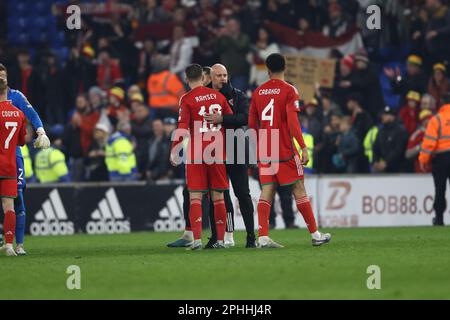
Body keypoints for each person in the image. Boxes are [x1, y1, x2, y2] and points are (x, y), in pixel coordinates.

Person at [249, 53, 331, 247]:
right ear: (285, 67)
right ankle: (315, 234)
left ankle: (263, 236)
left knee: (267, 190)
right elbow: (293, 121)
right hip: (284, 148)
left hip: (265, 148)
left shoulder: (257, 92)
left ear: (267, 70)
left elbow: (252, 125)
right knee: (298, 188)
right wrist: (303, 147)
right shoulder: (289, 90)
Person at [170, 64, 233, 250]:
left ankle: (196, 240)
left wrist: (175, 149)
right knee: (218, 197)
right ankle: (221, 241)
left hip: (197, 153)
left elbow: (182, 127)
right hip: (217, 152)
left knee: (195, 197)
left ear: (186, 79)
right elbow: (228, 120)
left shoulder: (187, 99)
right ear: (204, 77)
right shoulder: (218, 96)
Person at [204, 63, 256, 248]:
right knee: (218, 196)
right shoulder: (204, 96)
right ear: (211, 77)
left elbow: (245, 118)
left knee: (243, 194)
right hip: (214, 151)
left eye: (225, 75)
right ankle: (221, 236)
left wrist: (223, 119)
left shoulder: (237, 95)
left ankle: (251, 237)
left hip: (236, 149)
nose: (223, 78)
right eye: (218, 75)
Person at [0, 63, 50, 256]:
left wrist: (41, 132)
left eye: (3, 76)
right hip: (8, 159)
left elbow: (33, 114)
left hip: (14, 157)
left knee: (17, 199)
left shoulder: (17, 97)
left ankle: (17, 244)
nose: (2, 79)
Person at [0, 73, 26, 256]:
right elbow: (22, 141)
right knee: (9, 207)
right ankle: (10, 246)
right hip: (10, 165)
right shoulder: (19, 114)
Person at [419, 92, 450, 226]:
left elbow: (429, 143)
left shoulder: (436, 119)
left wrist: (423, 160)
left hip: (441, 158)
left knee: (440, 189)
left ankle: (439, 219)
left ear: (441, 103)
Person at [372, 106, 409, 173]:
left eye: (385, 115)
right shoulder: (381, 131)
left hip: (399, 169)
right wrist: (375, 161)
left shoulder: (400, 130)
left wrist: (386, 162)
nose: (382, 117)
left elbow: (399, 150)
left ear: (392, 116)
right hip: (384, 169)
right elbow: (375, 147)